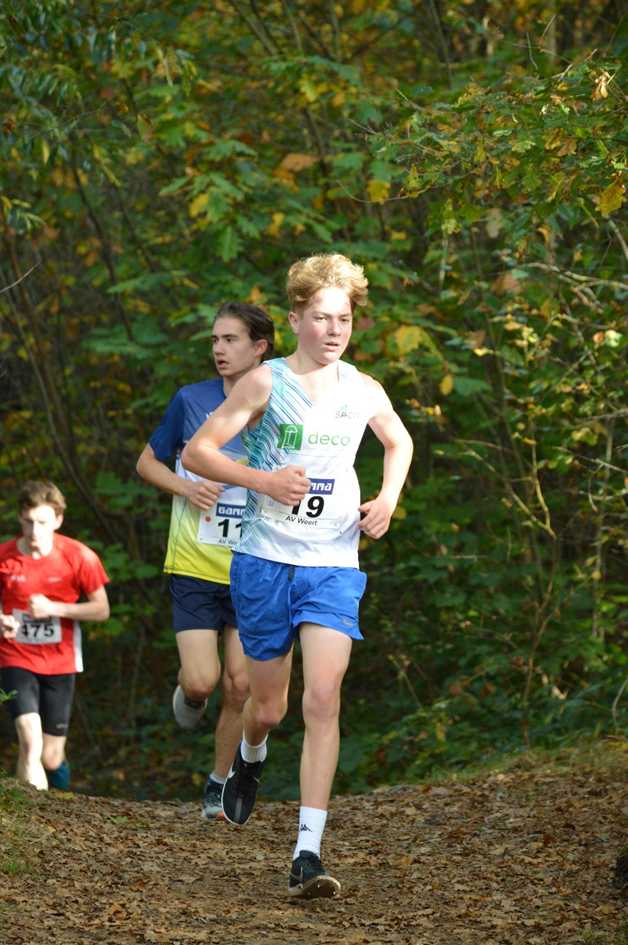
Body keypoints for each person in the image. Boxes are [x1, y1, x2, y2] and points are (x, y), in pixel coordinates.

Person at [181, 253, 413, 898]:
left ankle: (307, 852)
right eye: (320, 318)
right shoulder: (264, 382)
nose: (334, 330)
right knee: (270, 705)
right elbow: (200, 450)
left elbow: (399, 441)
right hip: (264, 561)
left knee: (323, 697)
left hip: (334, 563)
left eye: (343, 319)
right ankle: (250, 757)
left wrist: (389, 498)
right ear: (295, 320)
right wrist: (263, 480)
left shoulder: (364, 388)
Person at [136, 301, 275, 820]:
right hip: (194, 564)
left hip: (252, 565)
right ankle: (191, 695)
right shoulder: (190, 401)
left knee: (241, 685)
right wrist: (185, 487)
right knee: (203, 680)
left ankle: (219, 783)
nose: (218, 349)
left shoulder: (282, 406)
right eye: (214, 340)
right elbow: (147, 462)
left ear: (260, 346)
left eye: (230, 339)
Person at [0, 481, 110, 790]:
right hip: (14, 656)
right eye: (29, 521)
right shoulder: (4, 556)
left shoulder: (79, 556)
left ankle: (56, 785)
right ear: (20, 518)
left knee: (49, 757)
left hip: (60, 662)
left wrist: (55, 608)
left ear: (58, 520)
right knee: (29, 743)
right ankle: (33, 823)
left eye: (43, 522)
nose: (35, 530)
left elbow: (101, 609)